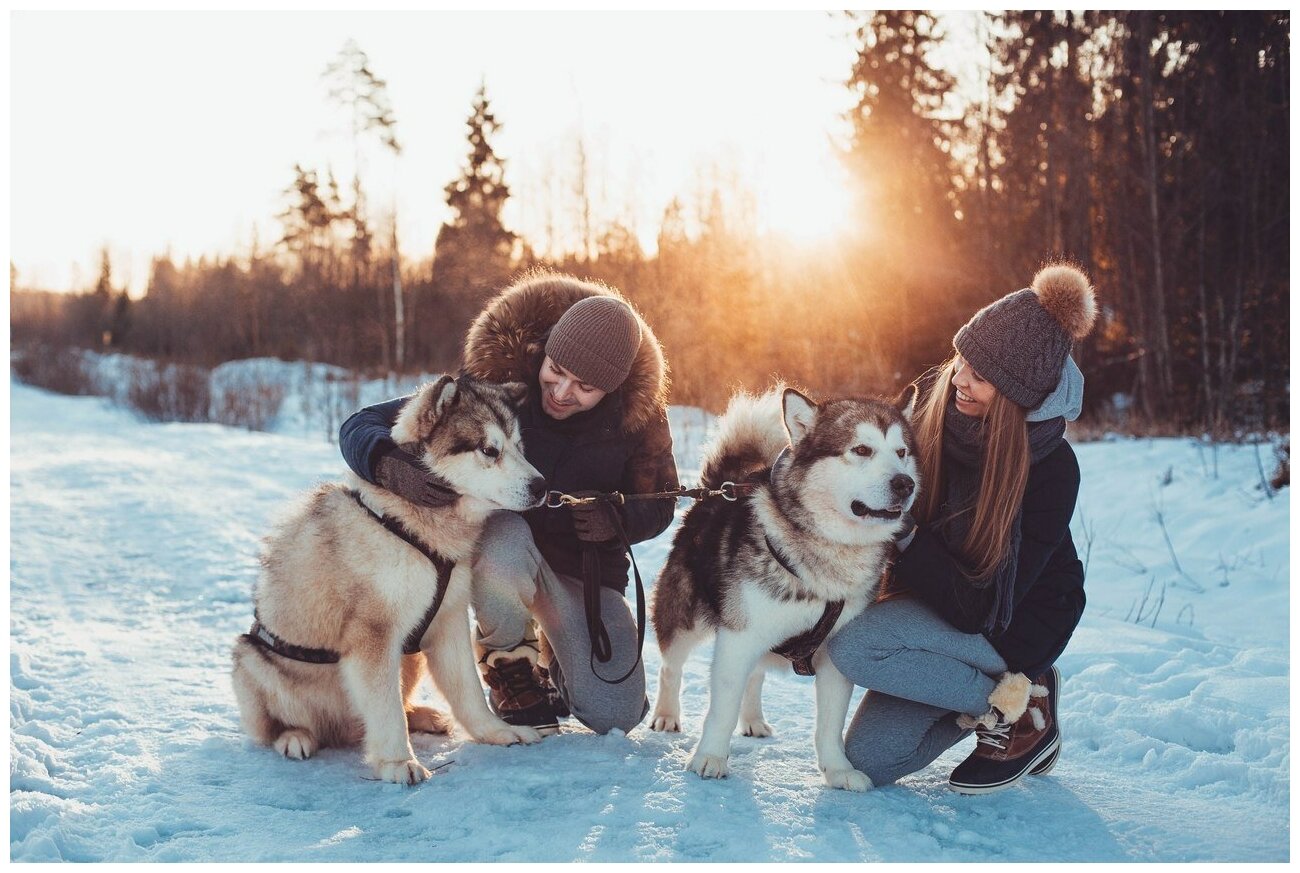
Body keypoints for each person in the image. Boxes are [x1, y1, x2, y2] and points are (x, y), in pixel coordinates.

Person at [339, 272, 678, 736]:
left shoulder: (639, 420)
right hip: (502, 552)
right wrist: (387, 464)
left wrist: (616, 518)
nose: (560, 392)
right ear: (544, 352)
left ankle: (557, 659)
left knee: (616, 714)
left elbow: (660, 505)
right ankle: (506, 661)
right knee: (502, 538)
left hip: (584, 570)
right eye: (556, 370)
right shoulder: (499, 383)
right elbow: (364, 422)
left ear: (611, 389)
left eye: (584, 387)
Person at [826, 263, 1096, 794]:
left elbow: (979, 608)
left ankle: (1021, 701)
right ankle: (1002, 700)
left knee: (856, 647)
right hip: (937, 597)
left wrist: (903, 534)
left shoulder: (1052, 467)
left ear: (1019, 394)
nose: (960, 379)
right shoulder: (936, 408)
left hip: (1009, 620)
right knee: (869, 761)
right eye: (962, 361)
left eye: (981, 375)